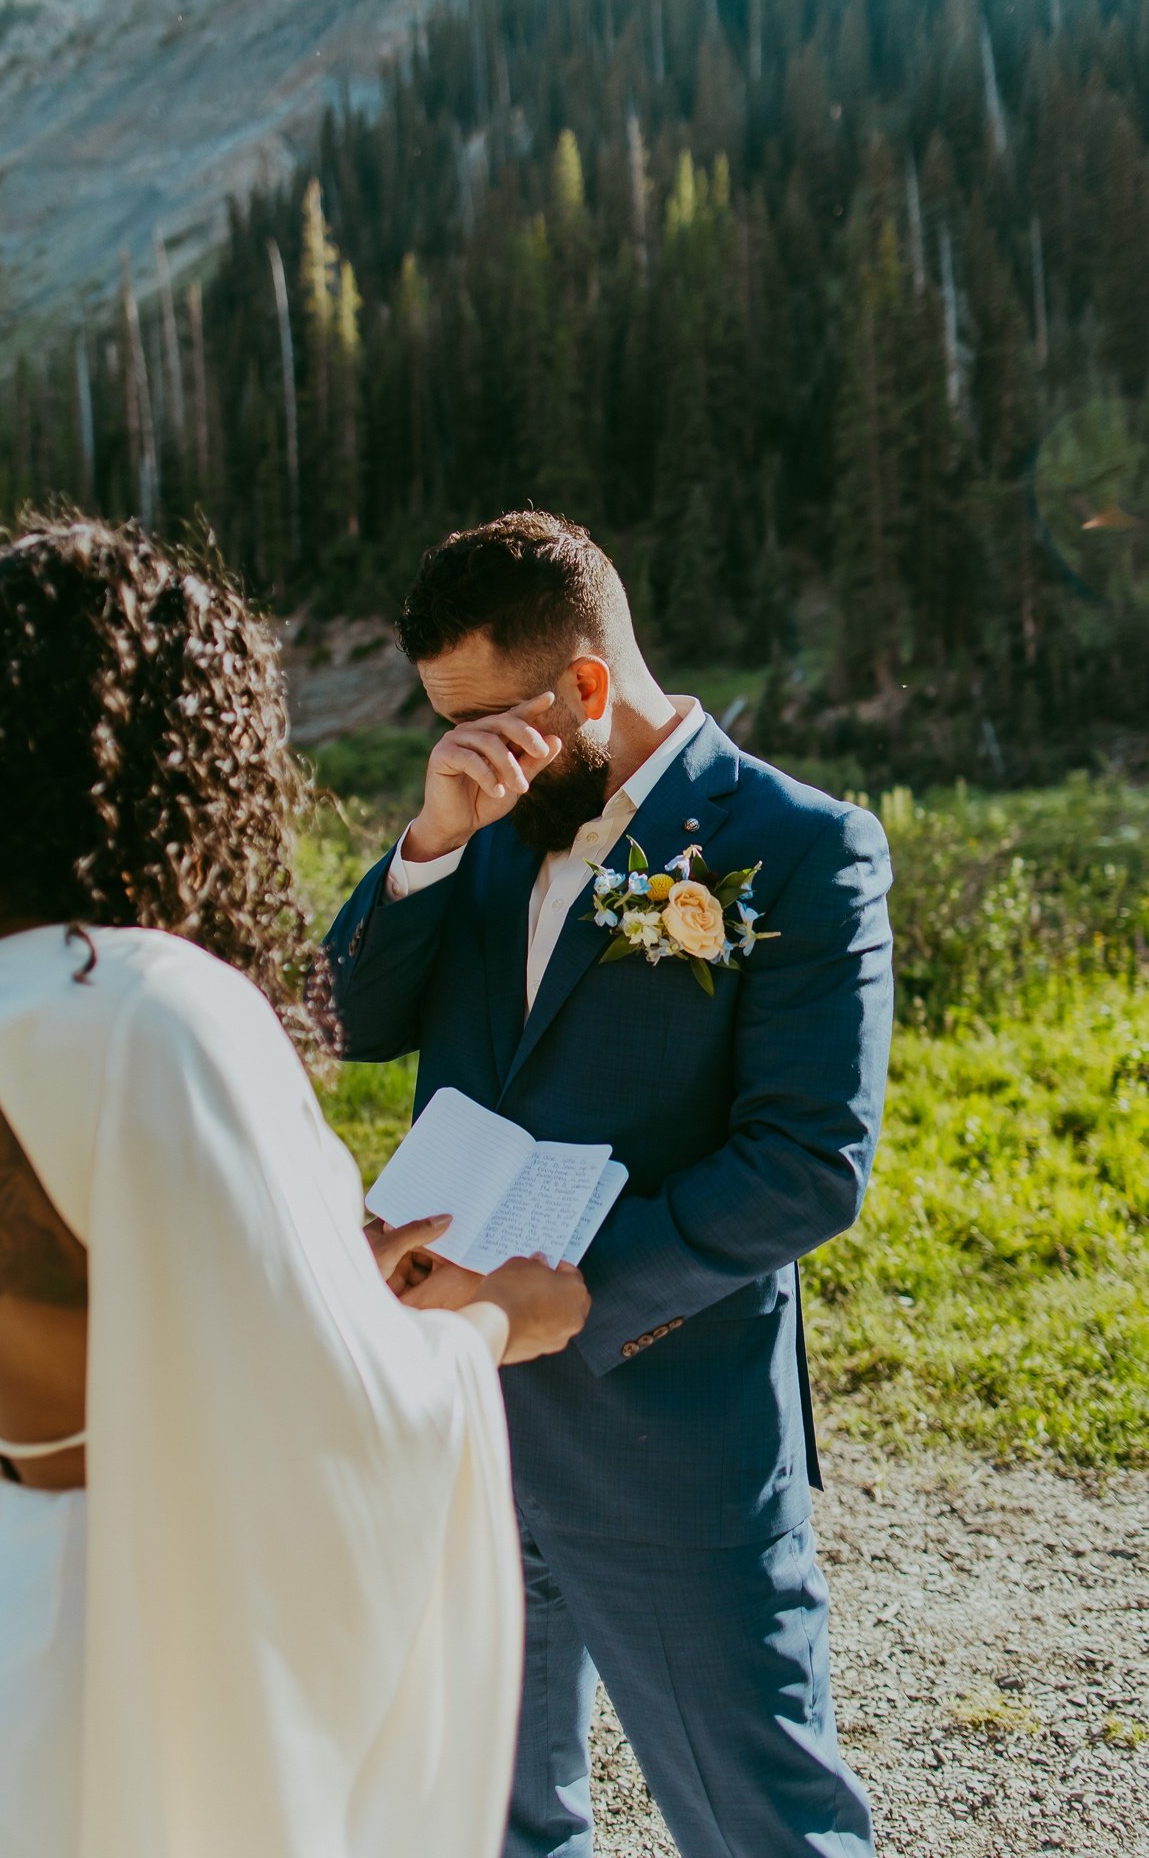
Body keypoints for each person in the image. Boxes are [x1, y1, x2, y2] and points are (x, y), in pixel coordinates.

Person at [0, 513, 590, 1858]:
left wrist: (318, 1251)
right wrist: (497, 1320)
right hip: (146, 1680)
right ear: (190, 750)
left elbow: (53, 1306)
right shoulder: (162, 1008)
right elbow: (331, 1412)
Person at [326, 511, 894, 1857]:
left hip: (664, 1428)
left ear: (585, 687)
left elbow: (808, 1166)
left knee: (758, 1821)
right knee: (484, 1817)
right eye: (442, 727)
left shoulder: (800, 848)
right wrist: (429, 837)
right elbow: (348, 1020)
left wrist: (568, 1297)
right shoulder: (484, 825)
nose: (467, 750)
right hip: (458, 1418)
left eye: (488, 723)